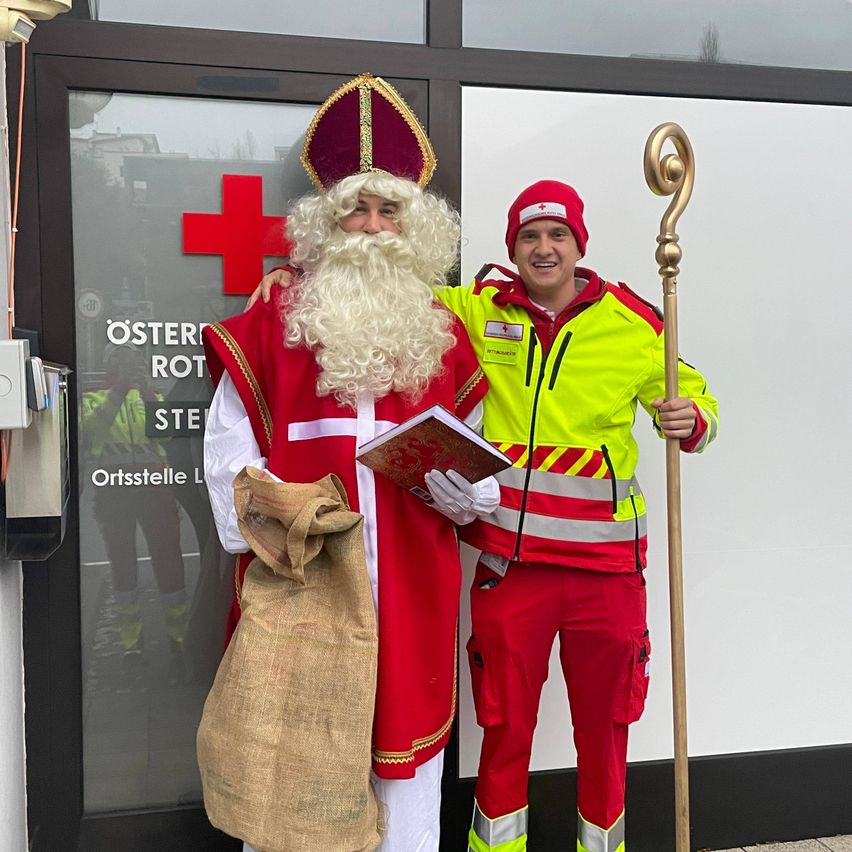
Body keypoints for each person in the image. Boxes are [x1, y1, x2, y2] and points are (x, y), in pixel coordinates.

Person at [251, 178, 719, 851]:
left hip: (607, 572)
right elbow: (376, 284)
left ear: (579, 245)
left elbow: (696, 398)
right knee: (503, 732)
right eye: (530, 235)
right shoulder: (472, 309)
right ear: (514, 247)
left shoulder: (634, 322)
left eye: (558, 234)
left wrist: (692, 417)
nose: (544, 247)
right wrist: (292, 275)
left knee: (605, 730)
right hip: (511, 566)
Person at [202, 73, 498, 852]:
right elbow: (227, 444)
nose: (370, 226)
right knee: (292, 760)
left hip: (410, 581)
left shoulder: (442, 329)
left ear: (414, 225)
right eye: (355, 210)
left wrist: (466, 497)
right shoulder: (275, 318)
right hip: (302, 580)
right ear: (327, 223)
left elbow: (480, 467)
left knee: (405, 781)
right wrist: (264, 513)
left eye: (387, 210)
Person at [80, 342, 188, 677]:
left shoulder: (152, 397)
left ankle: (180, 638)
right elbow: (92, 431)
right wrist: (119, 392)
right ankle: (131, 643)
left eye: (136, 363)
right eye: (124, 363)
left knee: (169, 559)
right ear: (112, 367)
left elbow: (170, 436)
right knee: (123, 564)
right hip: (114, 493)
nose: (131, 368)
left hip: (155, 491)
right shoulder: (93, 398)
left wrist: (145, 396)